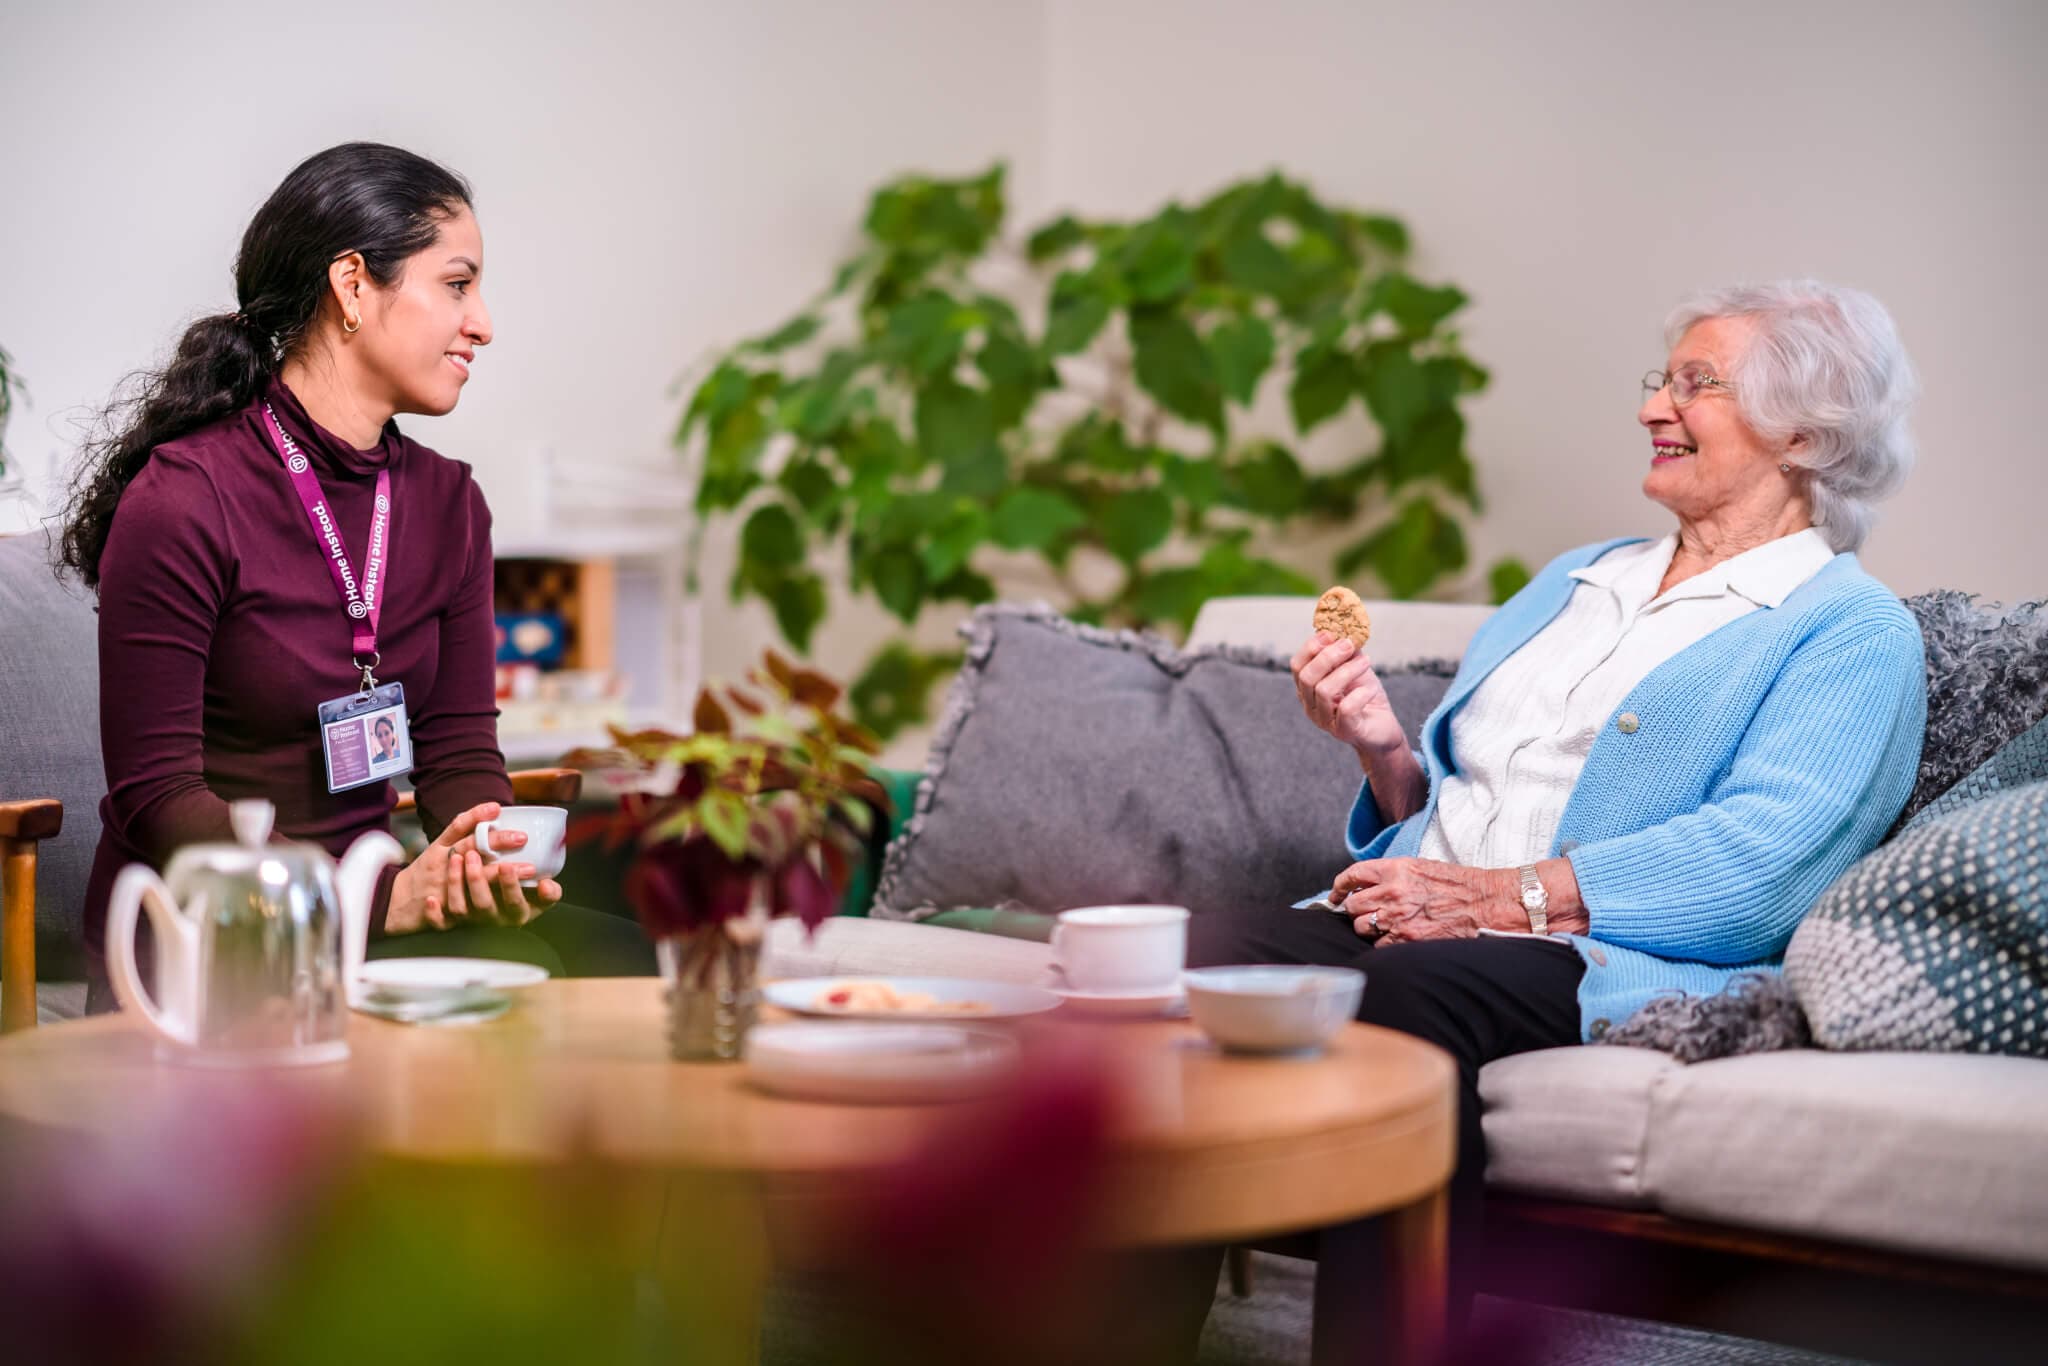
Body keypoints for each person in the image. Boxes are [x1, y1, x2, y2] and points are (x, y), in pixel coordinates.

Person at [1186, 279, 1927, 1353]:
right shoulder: (1573, 580)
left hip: (1598, 953)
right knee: (1184, 958)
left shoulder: (1847, 631)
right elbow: (1454, 812)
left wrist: (1496, 899)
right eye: (1657, 380)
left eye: (1695, 383)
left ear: (1804, 432)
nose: (1650, 407)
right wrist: (1383, 746)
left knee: (1408, 993)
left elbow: (1765, 864)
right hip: (1430, 922)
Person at [62, 142, 654, 1007]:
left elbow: (456, 747)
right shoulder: (187, 498)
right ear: (351, 286)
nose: (483, 322)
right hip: (221, 931)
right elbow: (158, 795)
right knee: (533, 992)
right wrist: (375, 895)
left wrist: (474, 859)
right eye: (457, 284)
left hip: (379, 916)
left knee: (629, 963)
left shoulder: (451, 504)